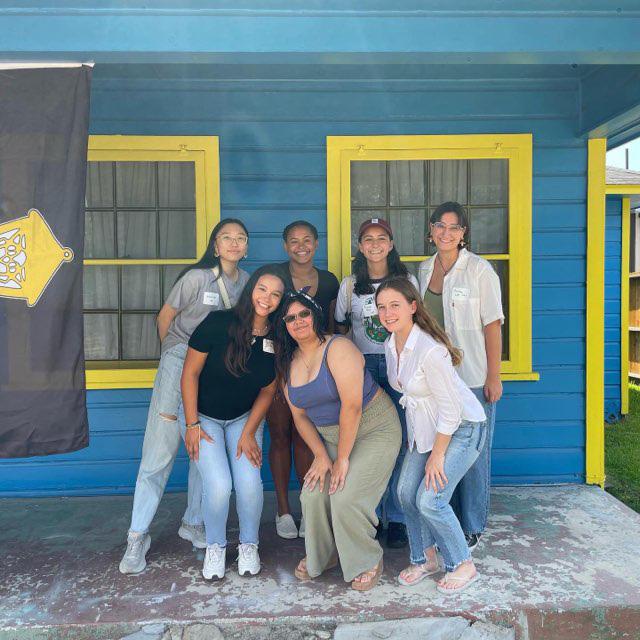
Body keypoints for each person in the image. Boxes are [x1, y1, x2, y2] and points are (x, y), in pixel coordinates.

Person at [119, 218, 251, 575]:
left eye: (241, 239)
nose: (234, 244)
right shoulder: (196, 278)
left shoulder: (247, 285)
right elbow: (165, 318)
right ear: (215, 245)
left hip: (214, 370)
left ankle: (194, 521)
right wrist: (174, 357)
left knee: (200, 447)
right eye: (227, 238)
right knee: (158, 454)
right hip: (180, 363)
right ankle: (137, 535)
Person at [275, 290, 401, 591]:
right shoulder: (287, 364)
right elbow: (300, 417)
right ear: (284, 325)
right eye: (291, 318)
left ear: (315, 316)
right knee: (313, 495)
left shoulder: (338, 347)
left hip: (374, 429)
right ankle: (326, 555)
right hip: (331, 438)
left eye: (303, 314)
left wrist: (341, 459)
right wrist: (321, 455)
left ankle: (368, 559)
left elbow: (352, 406)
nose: (299, 321)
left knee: (345, 495)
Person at [375, 277, 487, 593]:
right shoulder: (390, 344)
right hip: (426, 429)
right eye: (381, 307)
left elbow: (451, 411)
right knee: (405, 492)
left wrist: (436, 456)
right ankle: (425, 558)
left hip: (462, 428)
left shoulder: (430, 351)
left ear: (413, 306)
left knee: (431, 499)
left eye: (394, 305)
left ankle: (462, 564)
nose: (387, 313)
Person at [180, 265, 286, 580]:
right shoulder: (218, 322)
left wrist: (250, 432)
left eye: (276, 294)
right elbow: (190, 374)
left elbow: (268, 390)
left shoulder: (278, 338)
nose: (267, 298)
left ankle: (248, 545)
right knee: (219, 486)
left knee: (250, 484)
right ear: (251, 289)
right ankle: (215, 547)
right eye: (262, 289)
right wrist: (191, 425)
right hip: (203, 418)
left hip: (244, 418)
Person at [417, 202, 504, 551]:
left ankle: (473, 524)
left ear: (463, 233)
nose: (446, 233)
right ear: (431, 229)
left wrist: (494, 376)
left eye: (454, 227)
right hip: (436, 380)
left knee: (474, 454)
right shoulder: (423, 271)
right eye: (440, 225)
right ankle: (446, 517)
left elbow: (493, 325)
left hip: (472, 376)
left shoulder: (480, 271)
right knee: (443, 452)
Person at [334, 217, 418, 549]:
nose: (374, 244)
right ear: (359, 246)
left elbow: (418, 321)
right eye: (367, 239)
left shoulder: (406, 280)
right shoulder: (350, 285)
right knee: (367, 442)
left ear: (391, 243)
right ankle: (371, 514)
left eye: (381, 238)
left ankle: (396, 516)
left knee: (399, 440)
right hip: (363, 368)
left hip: (399, 362)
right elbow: (340, 327)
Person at [268, 220, 340, 539]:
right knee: (281, 433)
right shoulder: (275, 277)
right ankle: (283, 509)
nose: (301, 246)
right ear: (285, 246)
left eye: (307, 240)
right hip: (276, 363)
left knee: (305, 436)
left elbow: (335, 327)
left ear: (316, 244)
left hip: (313, 365)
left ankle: (306, 505)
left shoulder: (327, 281)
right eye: (294, 241)